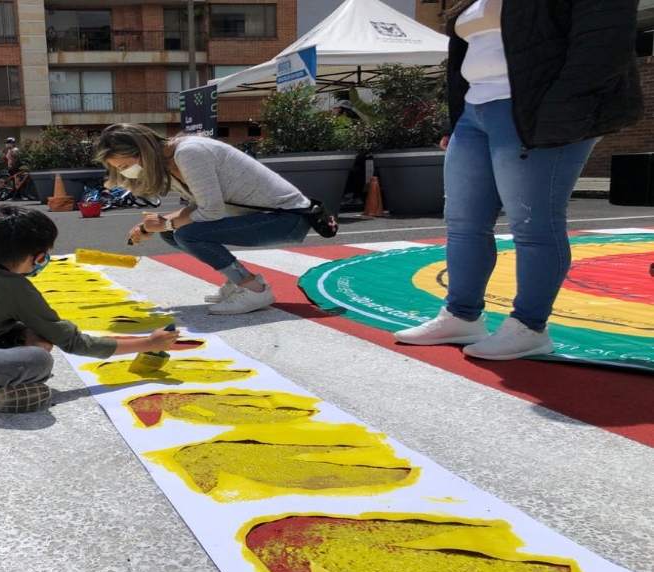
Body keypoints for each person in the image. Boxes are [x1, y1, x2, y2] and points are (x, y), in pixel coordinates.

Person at [393, 0, 643, 360]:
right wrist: (456, 117)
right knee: (462, 223)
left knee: (533, 223)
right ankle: (461, 316)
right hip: (476, 112)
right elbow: (469, 55)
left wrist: (559, 113)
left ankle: (530, 327)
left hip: (535, 110)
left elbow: (604, 46)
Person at [0, 205, 181, 413]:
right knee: (37, 360)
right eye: (44, 257)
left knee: (25, 331)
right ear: (36, 257)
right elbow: (75, 342)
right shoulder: (18, 289)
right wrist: (149, 342)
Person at [96, 123, 336, 315]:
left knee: (187, 233)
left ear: (143, 151)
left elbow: (211, 212)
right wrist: (154, 225)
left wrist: (166, 222)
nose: (127, 171)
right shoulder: (172, 159)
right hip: (270, 216)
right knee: (172, 232)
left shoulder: (189, 153)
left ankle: (255, 290)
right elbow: (199, 205)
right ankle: (238, 281)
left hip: (288, 218)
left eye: (126, 164)